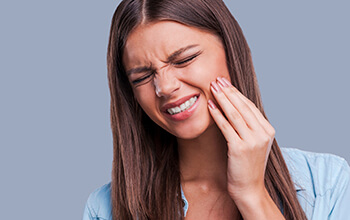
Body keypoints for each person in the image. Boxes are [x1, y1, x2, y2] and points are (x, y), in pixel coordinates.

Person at [83, 0, 350, 219]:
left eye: (185, 59)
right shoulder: (105, 209)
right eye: (142, 77)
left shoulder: (326, 183)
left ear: (231, 51)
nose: (164, 87)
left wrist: (252, 194)